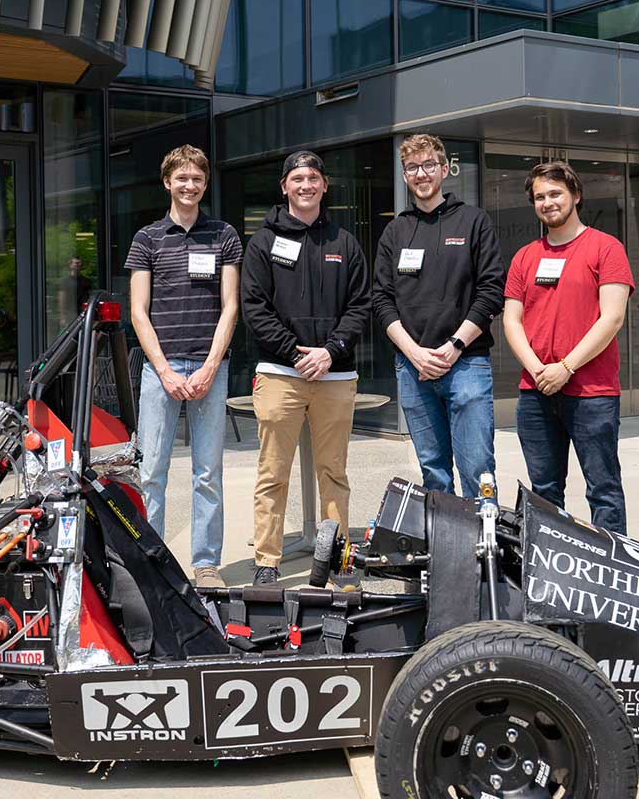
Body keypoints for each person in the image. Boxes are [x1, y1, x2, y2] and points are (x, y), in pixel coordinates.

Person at [240, 150, 371, 585]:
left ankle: (338, 559)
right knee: (272, 472)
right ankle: (266, 562)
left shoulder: (344, 243)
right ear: (284, 187)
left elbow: (360, 306)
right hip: (281, 374)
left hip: (335, 375)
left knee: (334, 473)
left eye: (313, 178)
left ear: (324, 186)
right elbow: (255, 308)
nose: (306, 185)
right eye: (297, 178)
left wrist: (331, 351)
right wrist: (297, 354)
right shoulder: (262, 242)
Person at [127, 145, 242, 588]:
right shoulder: (147, 239)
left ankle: (206, 563)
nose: (189, 185)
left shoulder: (225, 235)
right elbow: (139, 312)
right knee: (152, 470)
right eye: (182, 178)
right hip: (162, 369)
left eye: (197, 178)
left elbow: (230, 307)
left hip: (210, 367)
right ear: (167, 182)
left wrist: (212, 366)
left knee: (207, 471)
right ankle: (149, 558)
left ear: (205, 183)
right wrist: (165, 371)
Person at [503, 162, 634, 533]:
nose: (548, 202)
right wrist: (538, 369)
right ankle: (551, 572)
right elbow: (511, 321)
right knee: (544, 494)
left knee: (603, 489)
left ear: (576, 195)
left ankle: (612, 574)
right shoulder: (525, 257)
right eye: (540, 197)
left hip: (592, 393)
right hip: (536, 393)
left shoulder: (606, 248)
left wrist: (566, 367)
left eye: (555, 193)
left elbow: (612, 319)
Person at [372, 134, 505, 498]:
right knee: (433, 472)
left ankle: (483, 552)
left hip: (466, 364)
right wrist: (414, 352)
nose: (421, 173)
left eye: (429, 165)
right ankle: (448, 550)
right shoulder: (395, 231)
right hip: (413, 369)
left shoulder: (473, 222)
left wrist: (455, 345)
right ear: (404, 175)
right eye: (412, 167)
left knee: (477, 469)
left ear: (444, 170)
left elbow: (491, 291)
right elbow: (381, 300)